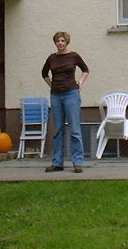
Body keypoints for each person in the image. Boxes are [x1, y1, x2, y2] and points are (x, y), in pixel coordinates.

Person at [41, 30, 89, 173]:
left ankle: (77, 162)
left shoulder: (74, 56)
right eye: (58, 41)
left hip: (71, 94)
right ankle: (57, 163)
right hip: (56, 96)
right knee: (58, 130)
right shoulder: (51, 58)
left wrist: (80, 82)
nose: (60, 43)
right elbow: (44, 73)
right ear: (55, 43)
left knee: (75, 129)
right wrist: (52, 85)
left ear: (66, 42)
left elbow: (85, 70)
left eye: (62, 41)